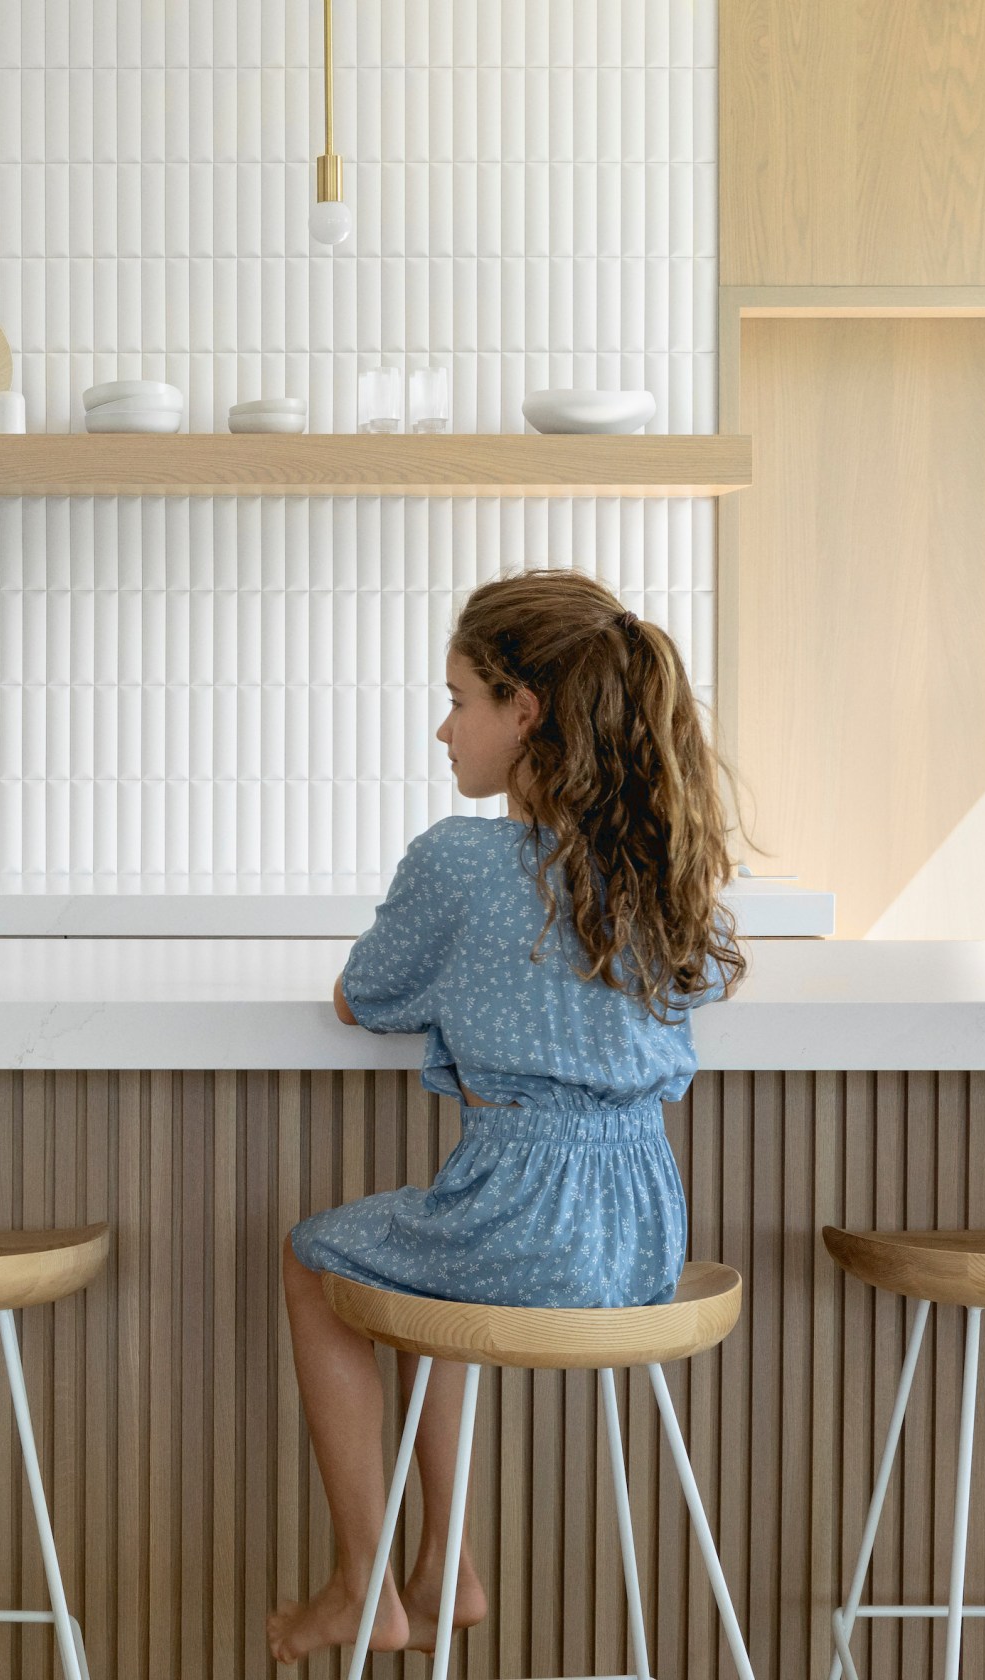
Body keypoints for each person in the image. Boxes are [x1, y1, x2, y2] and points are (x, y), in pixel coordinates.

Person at [269, 569, 745, 1664]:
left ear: (522, 712)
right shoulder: (666, 872)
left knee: (315, 1260)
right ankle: (445, 1563)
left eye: (459, 701)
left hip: (516, 1214)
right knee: (438, 1253)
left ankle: (363, 1582)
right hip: (639, 1238)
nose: (444, 730)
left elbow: (363, 997)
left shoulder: (459, 859)